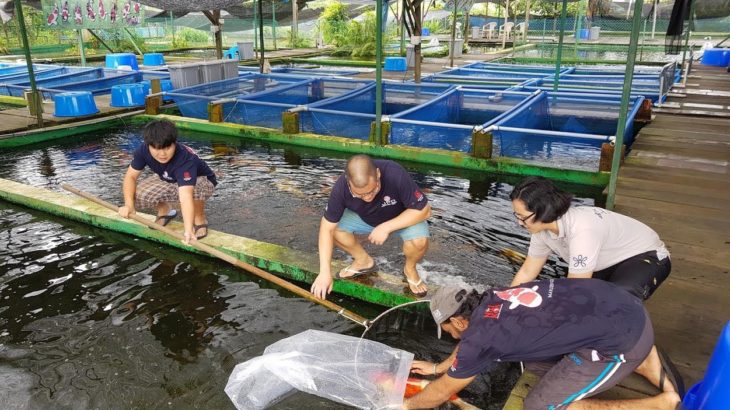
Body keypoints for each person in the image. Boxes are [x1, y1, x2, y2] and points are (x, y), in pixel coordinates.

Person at [404, 282, 684, 410]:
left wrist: (403, 406)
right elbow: (470, 344)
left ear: (459, 321)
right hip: (627, 310)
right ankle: (646, 359)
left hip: (620, 341)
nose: (450, 334)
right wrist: (438, 367)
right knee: (534, 361)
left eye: (448, 328)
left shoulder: (481, 336)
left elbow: (442, 392)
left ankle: (659, 404)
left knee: (540, 404)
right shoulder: (496, 295)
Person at [509, 176, 671, 301]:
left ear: (543, 211)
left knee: (617, 302)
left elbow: (575, 287)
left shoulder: (583, 229)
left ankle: (643, 344)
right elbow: (527, 271)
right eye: (516, 216)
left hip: (646, 257)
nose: (519, 222)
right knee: (586, 303)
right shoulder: (541, 231)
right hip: (603, 263)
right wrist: (506, 301)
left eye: (522, 217)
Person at [310, 155, 432, 299]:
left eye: (372, 190)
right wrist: (324, 272)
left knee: (419, 242)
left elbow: (425, 210)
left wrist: (386, 227)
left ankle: (410, 268)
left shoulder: (395, 173)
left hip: (401, 218)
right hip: (365, 218)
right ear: (349, 183)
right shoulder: (341, 188)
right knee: (334, 230)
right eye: (359, 195)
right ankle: (363, 261)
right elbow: (326, 228)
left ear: (378, 174)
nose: (368, 197)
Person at [118, 120, 217, 244]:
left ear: (174, 143)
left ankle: (199, 219)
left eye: (167, 148)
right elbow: (130, 177)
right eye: (156, 148)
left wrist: (188, 230)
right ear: (148, 145)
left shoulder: (185, 159)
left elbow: (185, 196)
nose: (162, 154)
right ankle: (165, 210)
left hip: (202, 180)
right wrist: (129, 205)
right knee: (137, 195)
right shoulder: (143, 150)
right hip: (168, 178)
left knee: (195, 188)